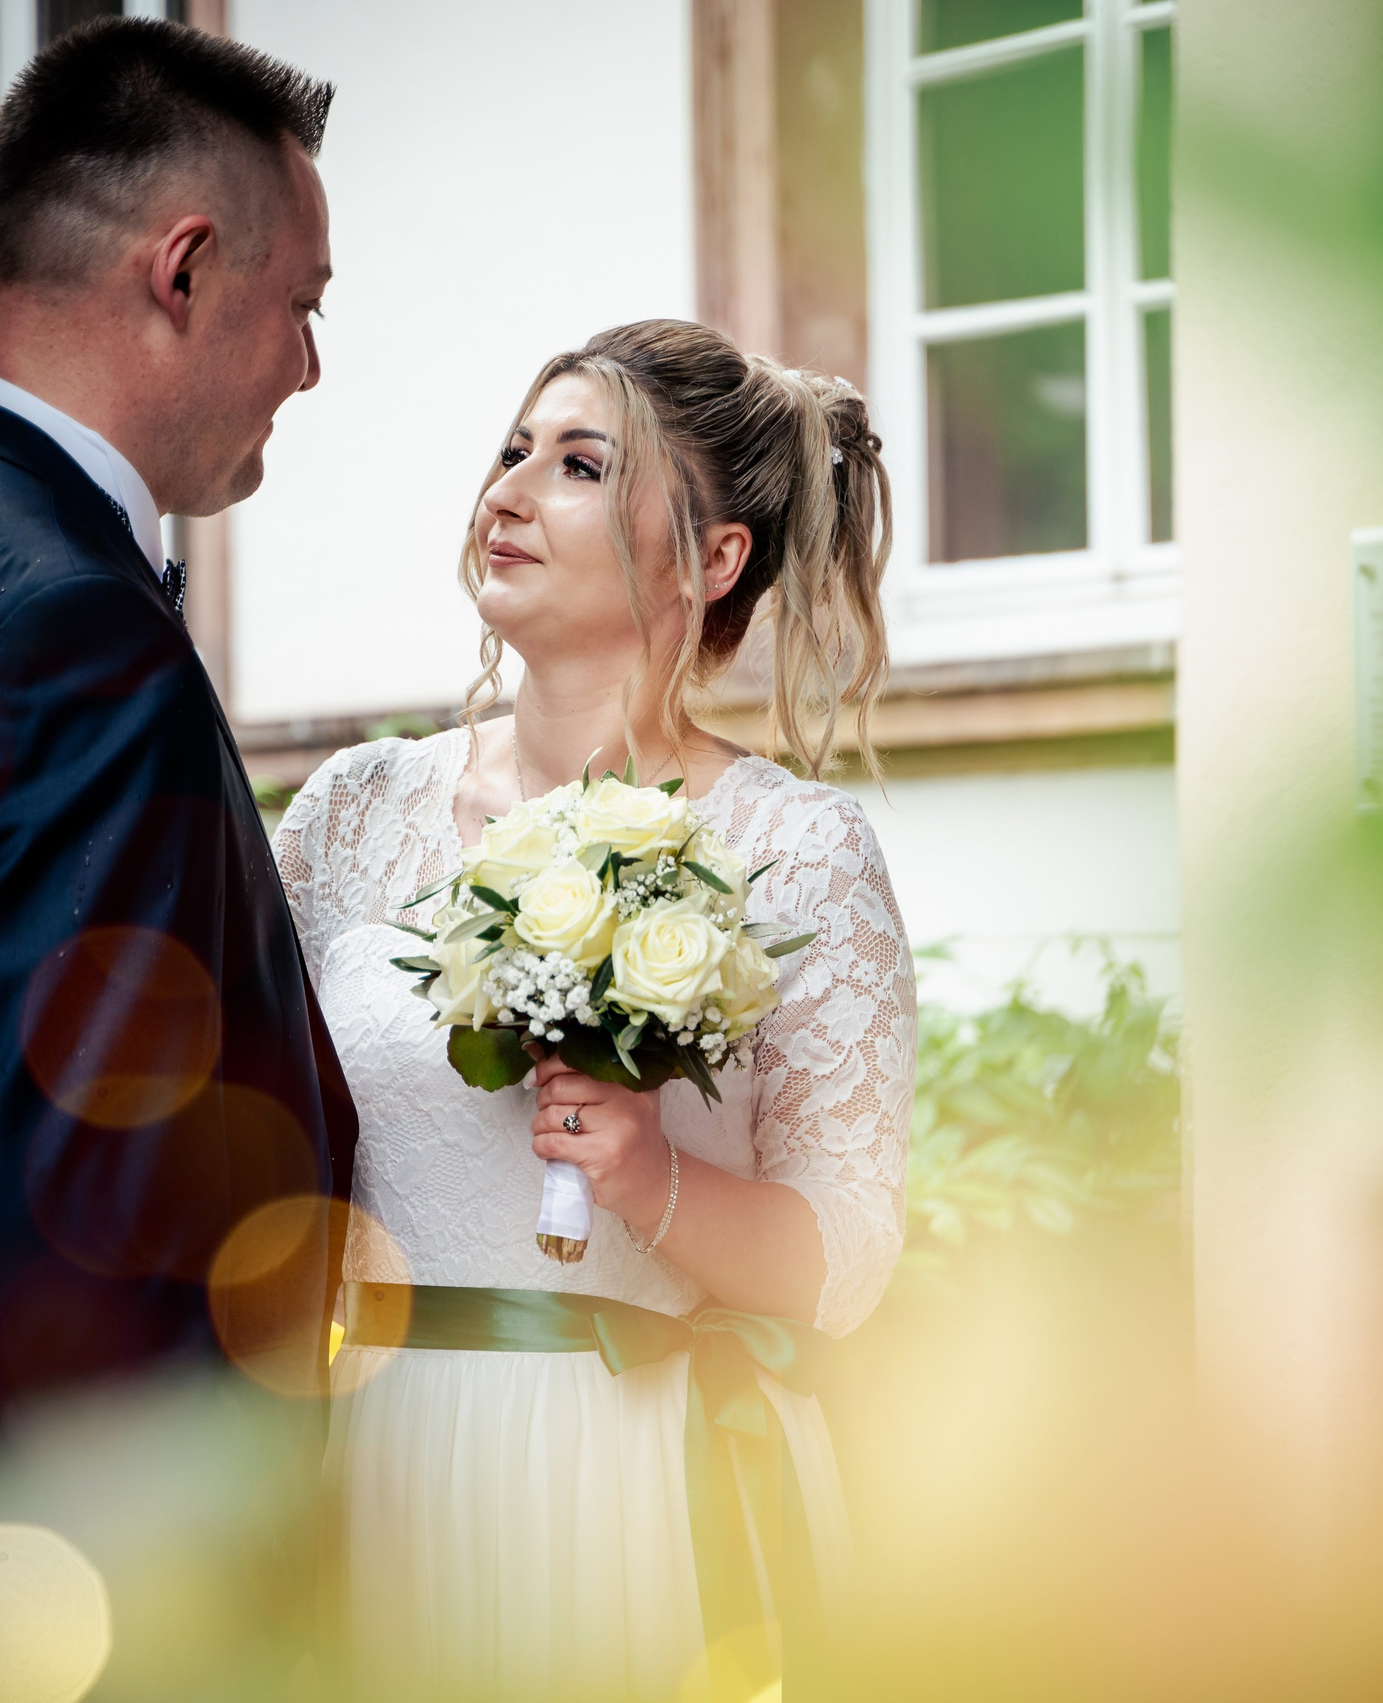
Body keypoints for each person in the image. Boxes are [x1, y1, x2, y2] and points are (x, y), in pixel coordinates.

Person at [276, 321, 915, 1699]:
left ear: (711, 556)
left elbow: (848, 1259)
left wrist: (655, 1181)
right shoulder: (351, 812)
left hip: (639, 1474)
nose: (505, 492)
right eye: (511, 451)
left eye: (576, 464)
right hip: (379, 1461)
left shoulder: (796, 850)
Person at [0, 19, 357, 1421]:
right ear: (183, 269)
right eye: (305, 306)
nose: (308, 368)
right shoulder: (74, 631)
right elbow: (98, 1231)